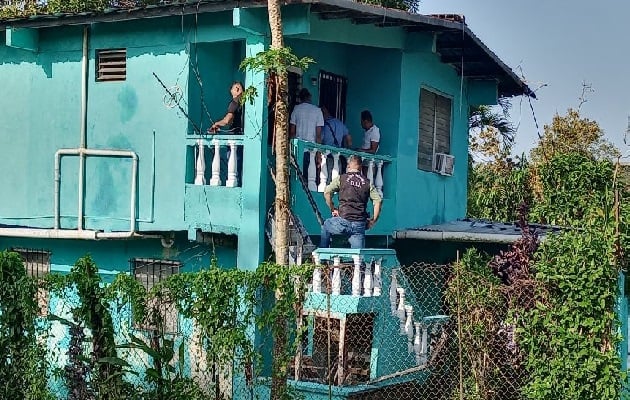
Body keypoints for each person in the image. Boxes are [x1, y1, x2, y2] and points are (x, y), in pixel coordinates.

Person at [320, 155, 383, 249]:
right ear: (360, 167)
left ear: (348, 166)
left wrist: (333, 208)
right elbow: (378, 201)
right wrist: (373, 220)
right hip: (359, 224)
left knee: (326, 225)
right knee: (358, 257)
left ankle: (322, 253)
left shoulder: (341, 179)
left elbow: (327, 192)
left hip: (343, 221)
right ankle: (358, 263)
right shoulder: (367, 182)